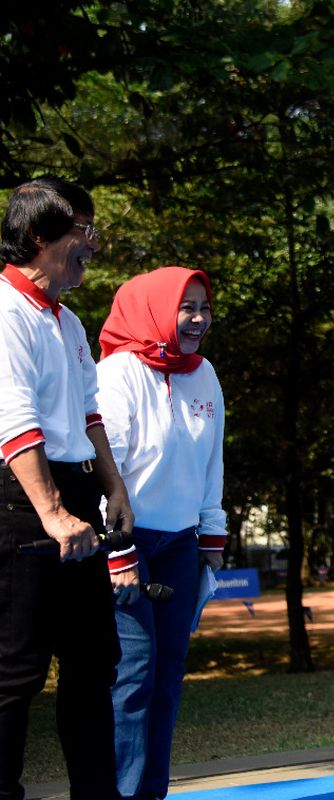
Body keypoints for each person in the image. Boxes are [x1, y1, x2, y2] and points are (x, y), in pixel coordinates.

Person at [0, 176, 134, 800]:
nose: (92, 244)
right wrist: (52, 513)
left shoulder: (70, 321)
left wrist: (114, 489)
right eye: (82, 229)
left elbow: (89, 415)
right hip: (25, 503)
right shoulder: (5, 309)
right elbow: (14, 421)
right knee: (16, 669)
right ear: (37, 235)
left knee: (93, 662)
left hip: (76, 497)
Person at [95, 266, 227, 800]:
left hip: (181, 543)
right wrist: (117, 550)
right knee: (135, 676)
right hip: (128, 541)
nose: (197, 318)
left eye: (204, 307)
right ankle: (122, 793)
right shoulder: (119, 371)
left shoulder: (205, 372)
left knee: (169, 673)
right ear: (154, 307)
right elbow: (108, 469)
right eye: (185, 306)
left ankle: (153, 792)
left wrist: (212, 538)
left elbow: (213, 458)